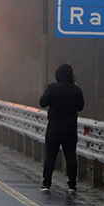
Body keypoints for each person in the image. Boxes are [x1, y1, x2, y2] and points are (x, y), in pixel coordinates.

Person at [40, 63, 84, 193]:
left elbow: (42, 103)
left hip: (54, 128)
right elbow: (80, 107)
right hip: (70, 129)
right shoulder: (76, 90)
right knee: (71, 157)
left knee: (50, 157)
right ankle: (72, 185)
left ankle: (46, 183)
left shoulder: (53, 88)